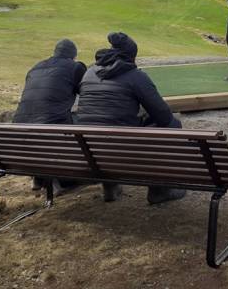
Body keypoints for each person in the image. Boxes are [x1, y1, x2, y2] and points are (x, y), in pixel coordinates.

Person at [76, 32, 186, 204]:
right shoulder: (135, 76)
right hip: (123, 149)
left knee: (103, 127)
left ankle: (110, 186)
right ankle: (159, 189)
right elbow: (164, 116)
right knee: (173, 124)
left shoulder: (89, 72)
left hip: (89, 149)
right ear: (131, 56)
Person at [13, 39, 87, 190]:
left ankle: (38, 176)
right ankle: (53, 182)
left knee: (49, 120)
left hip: (20, 128)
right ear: (74, 56)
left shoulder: (35, 67)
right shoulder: (75, 67)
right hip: (50, 129)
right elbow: (87, 92)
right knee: (78, 121)